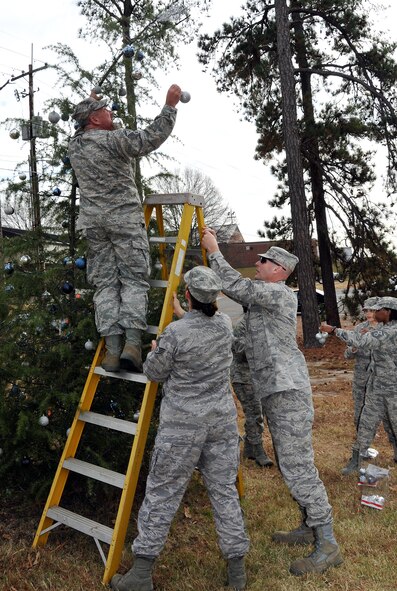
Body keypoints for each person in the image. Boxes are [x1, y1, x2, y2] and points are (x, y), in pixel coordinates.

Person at [201, 229, 343, 576]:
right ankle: (309, 524)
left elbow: (237, 287)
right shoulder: (258, 310)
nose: (258, 263)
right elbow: (237, 346)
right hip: (275, 392)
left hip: (287, 392)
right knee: (288, 461)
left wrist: (215, 251)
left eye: (264, 261)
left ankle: (327, 544)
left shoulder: (278, 295)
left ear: (279, 270)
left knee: (298, 467)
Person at [111, 266, 250, 591]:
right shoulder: (224, 324)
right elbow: (202, 327)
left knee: (162, 493)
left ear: (188, 295)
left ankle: (141, 576)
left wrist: (156, 349)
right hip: (221, 424)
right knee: (224, 492)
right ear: (214, 298)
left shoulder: (175, 333)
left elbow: (155, 373)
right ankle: (237, 574)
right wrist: (183, 315)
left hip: (182, 429)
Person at [69, 84, 181, 373]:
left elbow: (84, 125)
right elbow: (150, 137)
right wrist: (170, 107)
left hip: (94, 225)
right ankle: (132, 345)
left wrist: (90, 102)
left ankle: (112, 350)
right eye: (104, 110)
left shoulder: (76, 146)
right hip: (124, 221)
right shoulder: (115, 140)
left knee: (105, 283)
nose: (110, 112)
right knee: (133, 280)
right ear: (94, 120)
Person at [321, 295, 397, 471]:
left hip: (393, 388)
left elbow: (361, 341)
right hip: (376, 385)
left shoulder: (392, 331)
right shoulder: (384, 328)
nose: (374, 313)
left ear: (389, 312)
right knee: (366, 422)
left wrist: (334, 330)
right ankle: (356, 459)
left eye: (378, 310)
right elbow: (356, 346)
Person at [231, 308, 273, 467]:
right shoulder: (243, 326)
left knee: (257, 412)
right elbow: (238, 351)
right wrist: (256, 344)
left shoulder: (262, 324)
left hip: (257, 377)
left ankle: (249, 448)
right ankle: (258, 450)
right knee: (254, 413)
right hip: (243, 377)